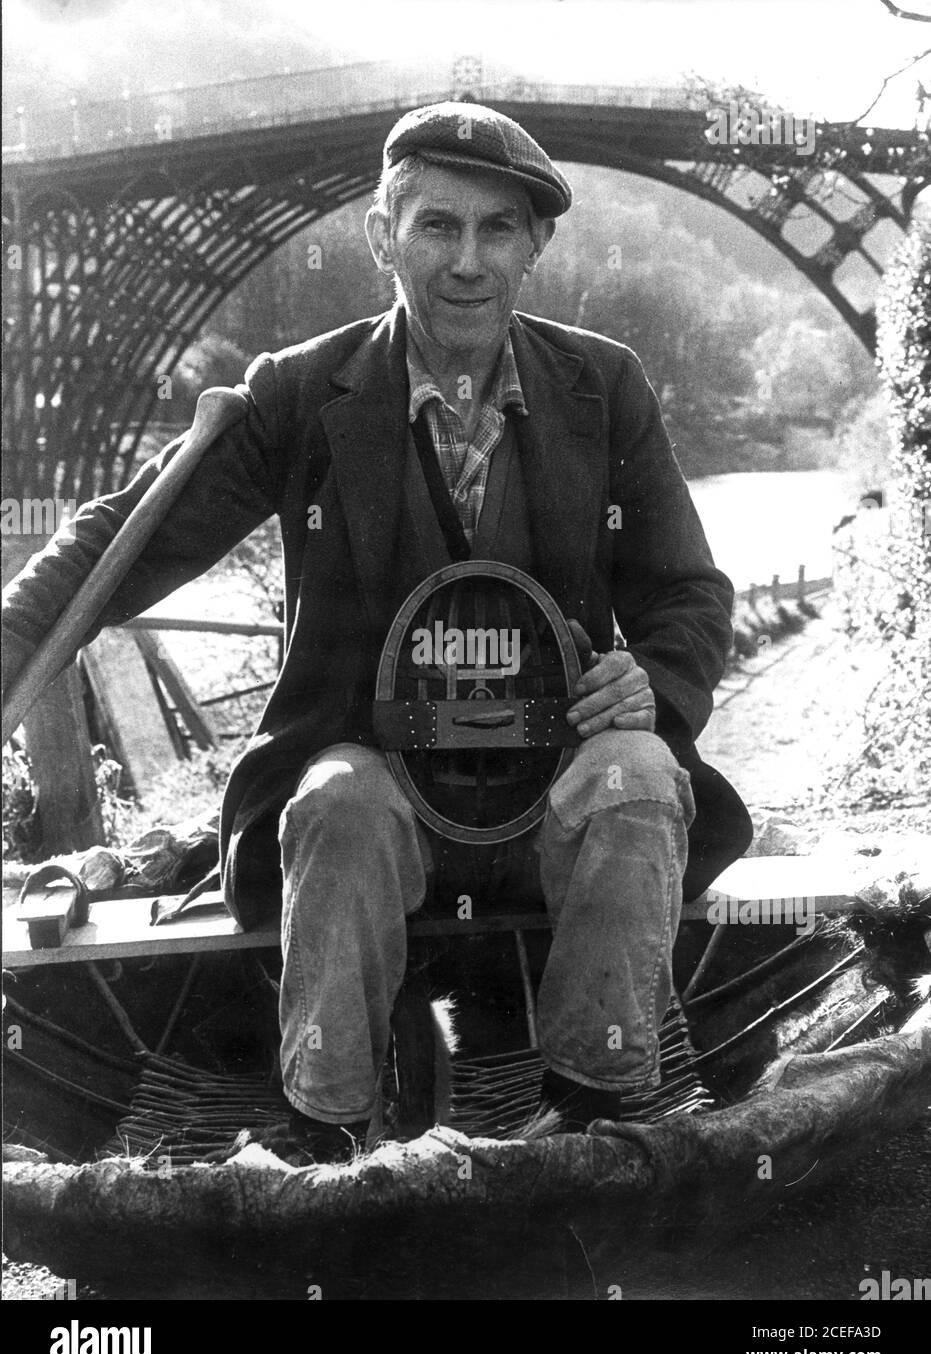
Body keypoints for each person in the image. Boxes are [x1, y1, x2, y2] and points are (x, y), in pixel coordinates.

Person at [2, 102, 752, 1162]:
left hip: (553, 792)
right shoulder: (302, 393)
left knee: (635, 775)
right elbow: (116, 544)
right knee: (337, 798)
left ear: (536, 246)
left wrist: (654, 683)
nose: (466, 261)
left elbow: (688, 595)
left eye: (497, 230)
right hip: (378, 799)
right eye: (436, 226)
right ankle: (328, 1134)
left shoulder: (604, 386)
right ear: (381, 235)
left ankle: (598, 1119)